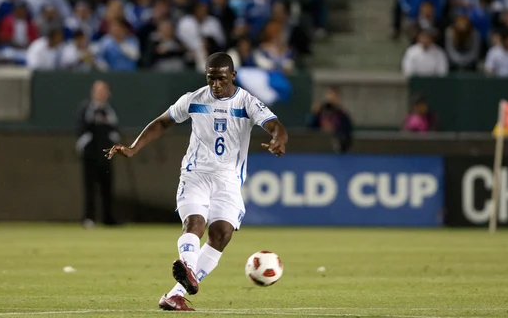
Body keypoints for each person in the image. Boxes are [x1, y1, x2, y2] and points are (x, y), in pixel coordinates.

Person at [104, 52, 288, 312]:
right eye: (211, 78)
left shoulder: (247, 102)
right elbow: (163, 122)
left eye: (221, 79)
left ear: (233, 76)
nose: (215, 84)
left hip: (228, 180)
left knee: (221, 234)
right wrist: (134, 148)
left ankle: (174, 295)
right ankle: (188, 270)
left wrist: (279, 140)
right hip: (195, 174)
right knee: (195, 223)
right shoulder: (194, 99)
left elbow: (275, 125)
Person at [77, 80, 120, 228]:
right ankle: (89, 218)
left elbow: (114, 132)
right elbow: (82, 131)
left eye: (104, 90)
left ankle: (108, 218)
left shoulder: (109, 111)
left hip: (106, 155)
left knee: (107, 187)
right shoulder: (87, 109)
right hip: (90, 155)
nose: (101, 94)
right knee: (90, 187)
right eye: (98, 90)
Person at [307, 87, 353, 153]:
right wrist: (313, 114)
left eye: (333, 99)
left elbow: (347, 134)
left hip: (336, 149)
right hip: (318, 149)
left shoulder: (343, 116)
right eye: (328, 99)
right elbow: (309, 129)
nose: (330, 102)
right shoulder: (319, 113)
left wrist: (333, 130)